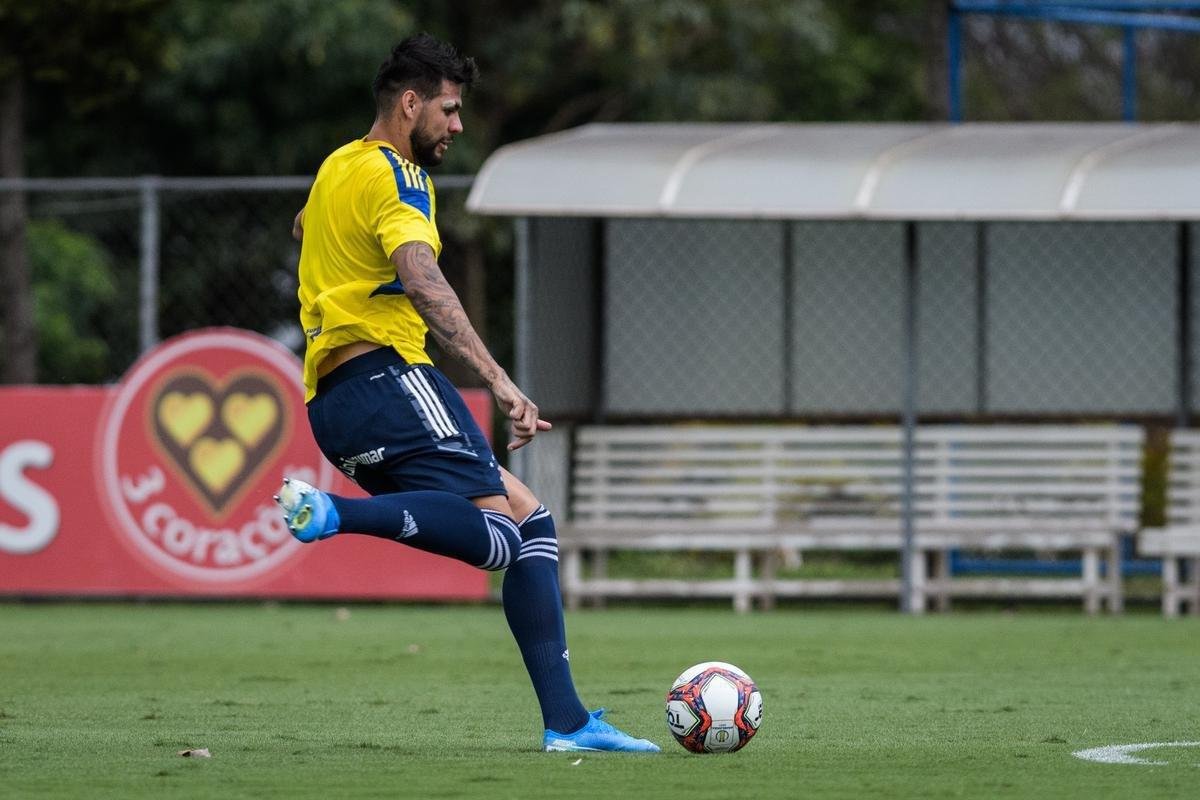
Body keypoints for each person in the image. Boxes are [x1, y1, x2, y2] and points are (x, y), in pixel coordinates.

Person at [275, 32, 658, 754]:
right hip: (391, 379)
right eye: (448, 110)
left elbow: (304, 225)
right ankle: (329, 514)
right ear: (410, 103)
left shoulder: (337, 166)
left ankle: (569, 724)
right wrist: (499, 379)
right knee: (504, 539)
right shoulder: (398, 177)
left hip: (336, 403)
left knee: (532, 525)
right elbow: (422, 278)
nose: (457, 126)